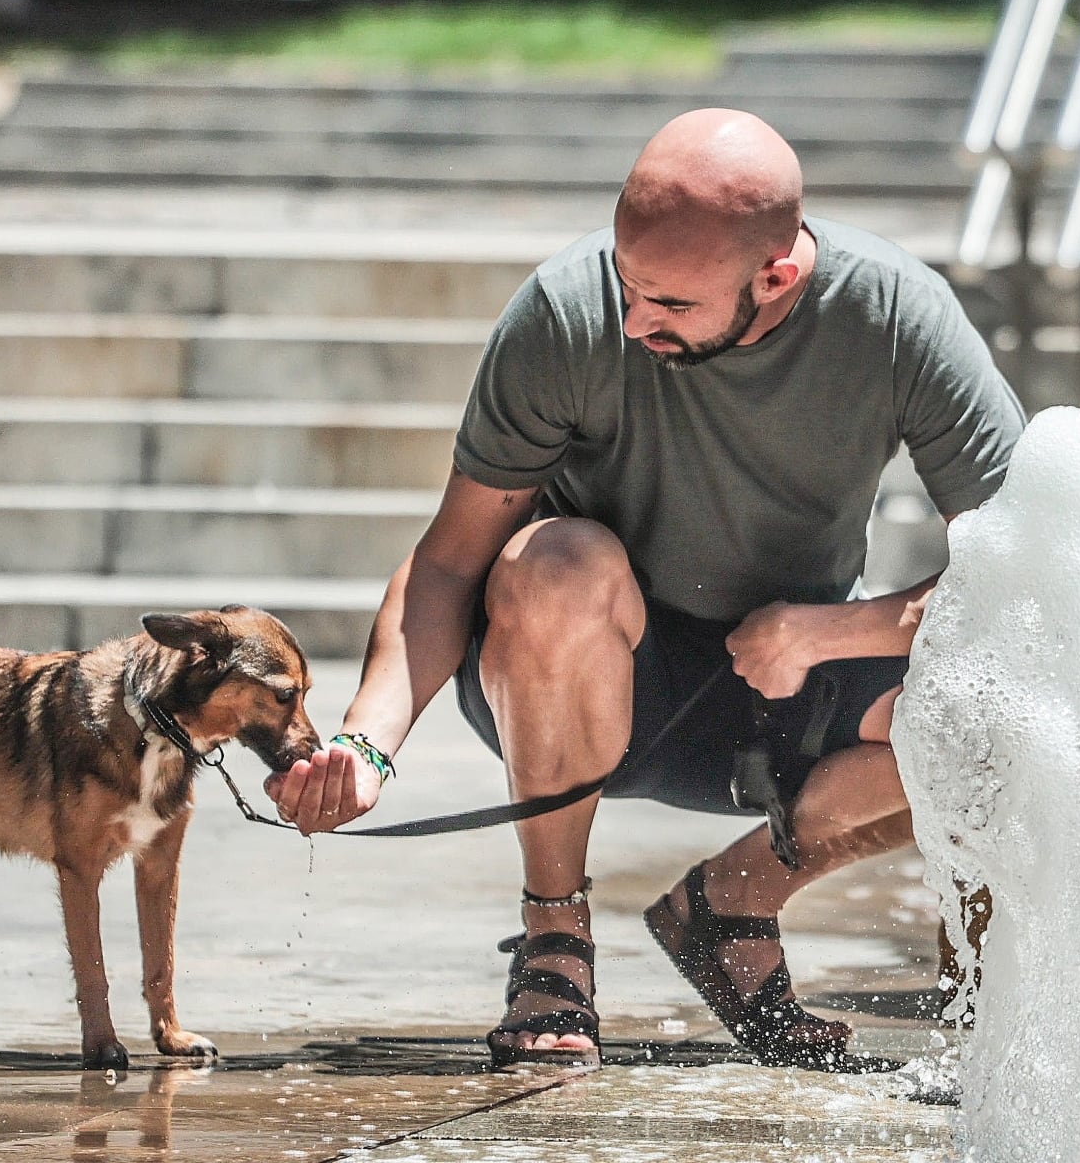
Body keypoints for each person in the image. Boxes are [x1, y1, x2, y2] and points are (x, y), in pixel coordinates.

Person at [264, 108, 1024, 1068]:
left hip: (790, 681)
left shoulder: (899, 315)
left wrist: (826, 633)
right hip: (586, 677)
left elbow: (1030, 569)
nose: (634, 322)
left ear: (777, 276)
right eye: (629, 285)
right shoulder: (565, 314)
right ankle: (554, 940)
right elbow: (453, 558)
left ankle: (731, 904)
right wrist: (367, 742)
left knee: (1012, 713)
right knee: (557, 561)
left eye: (670, 305)